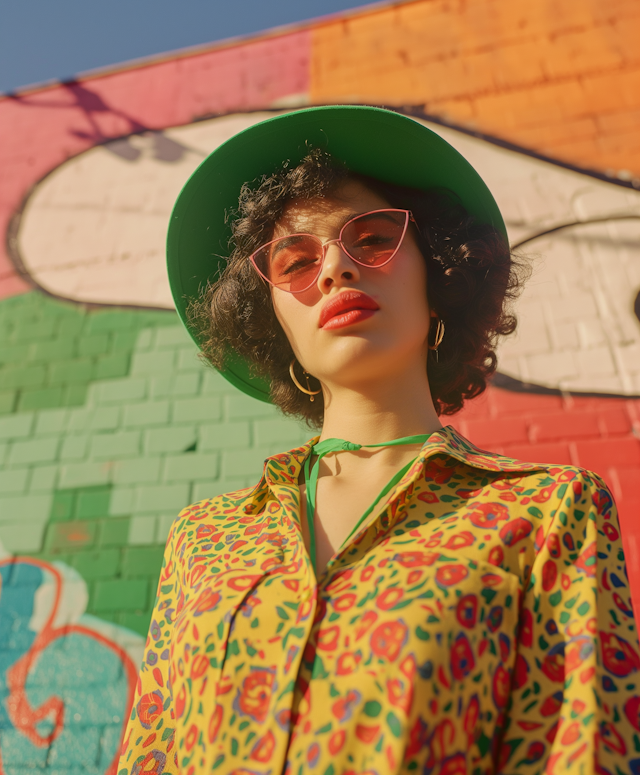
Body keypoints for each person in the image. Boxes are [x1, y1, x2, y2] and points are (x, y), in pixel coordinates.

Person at [118, 107, 640, 775]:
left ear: (439, 278)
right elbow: (150, 756)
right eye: (295, 262)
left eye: (371, 238)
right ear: (274, 322)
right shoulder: (204, 540)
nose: (335, 267)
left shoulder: (546, 515)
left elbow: (584, 754)